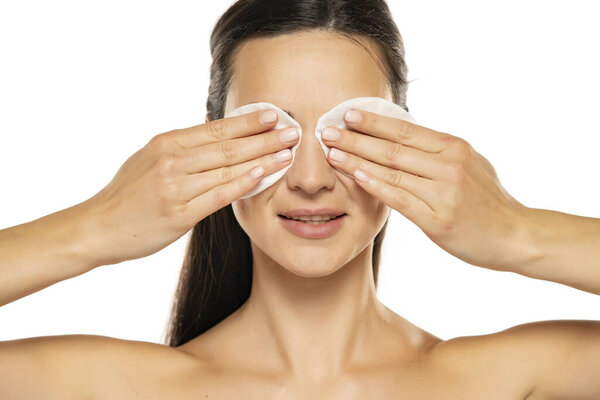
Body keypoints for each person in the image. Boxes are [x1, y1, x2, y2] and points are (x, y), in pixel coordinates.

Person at [1, 0, 598, 398]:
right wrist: (91, 229)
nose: (310, 178)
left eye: (352, 129)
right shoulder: (116, 387)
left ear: (407, 140)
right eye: (271, 129)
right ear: (213, 138)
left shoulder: (506, 380)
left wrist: (523, 233)